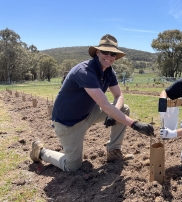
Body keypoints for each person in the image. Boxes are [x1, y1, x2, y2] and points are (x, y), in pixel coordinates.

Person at [29, 34, 154, 171]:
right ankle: (41, 152)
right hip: (68, 123)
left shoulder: (109, 71)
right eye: (105, 52)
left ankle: (113, 152)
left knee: (123, 108)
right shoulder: (85, 71)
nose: (109, 56)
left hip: (88, 113)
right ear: (98, 52)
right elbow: (105, 105)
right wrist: (134, 124)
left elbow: (118, 95)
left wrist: (113, 114)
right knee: (72, 167)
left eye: (113, 54)